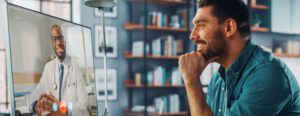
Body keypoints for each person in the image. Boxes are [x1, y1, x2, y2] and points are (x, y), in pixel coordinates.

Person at [178, 0, 300, 115]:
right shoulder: (218, 80)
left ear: (229, 28)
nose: (192, 36)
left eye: (201, 25)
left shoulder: (267, 74)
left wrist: (191, 80)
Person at [30, 25, 88, 116]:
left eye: (60, 38)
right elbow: (36, 93)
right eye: (55, 39)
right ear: (52, 44)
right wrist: (36, 105)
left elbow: (83, 104)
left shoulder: (75, 67)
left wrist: (62, 108)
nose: (58, 42)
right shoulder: (48, 67)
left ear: (64, 42)